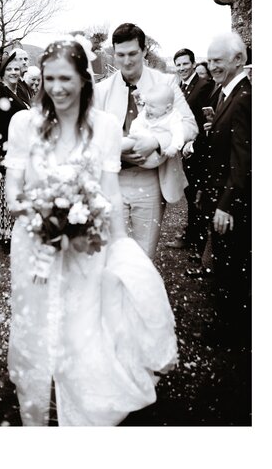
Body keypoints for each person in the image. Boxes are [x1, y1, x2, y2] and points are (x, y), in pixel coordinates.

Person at [4, 38, 177, 426]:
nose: (56, 88)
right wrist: (40, 211)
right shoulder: (24, 124)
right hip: (34, 242)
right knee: (34, 323)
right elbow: (13, 187)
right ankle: (36, 405)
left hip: (87, 243)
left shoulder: (105, 128)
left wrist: (119, 245)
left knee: (81, 321)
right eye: (49, 78)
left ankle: (81, 407)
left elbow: (110, 194)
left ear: (84, 79)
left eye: (65, 78)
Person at [92, 23, 198, 259]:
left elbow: (190, 126)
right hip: (112, 179)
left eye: (132, 54)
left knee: (143, 255)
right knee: (113, 253)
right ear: (113, 53)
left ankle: (141, 295)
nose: (127, 61)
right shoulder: (101, 91)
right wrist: (115, 150)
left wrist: (156, 142)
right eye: (120, 55)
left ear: (143, 51)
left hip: (150, 180)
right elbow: (89, 137)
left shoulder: (167, 83)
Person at [201, 32, 252, 352]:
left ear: (238, 60)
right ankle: (226, 326)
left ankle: (231, 336)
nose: (211, 65)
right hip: (221, 197)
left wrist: (226, 205)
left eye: (218, 60)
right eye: (210, 60)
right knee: (224, 266)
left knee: (232, 271)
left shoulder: (244, 97)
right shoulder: (226, 93)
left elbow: (243, 159)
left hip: (230, 204)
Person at [167, 49, 219, 259]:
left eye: (185, 64)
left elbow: (205, 119)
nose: (181, 68)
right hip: (185, 150)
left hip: (199, 151)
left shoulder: (203, 86)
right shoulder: (182, 87)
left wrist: (195, 143)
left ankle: (200, 244)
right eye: (178, 65)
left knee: (198, 197)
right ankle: (192, 236)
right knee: (190, 195)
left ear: (193, 63)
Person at [0, 53, 31, 253]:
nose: (14, 72)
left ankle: (21, 233)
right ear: (2, 72)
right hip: (7, 151)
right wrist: (2, 151)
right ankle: (6, 237)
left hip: (24, 151)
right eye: (9, 69)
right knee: (7, 193)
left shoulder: (22, 89)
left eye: (16, 68)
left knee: (21, 192)